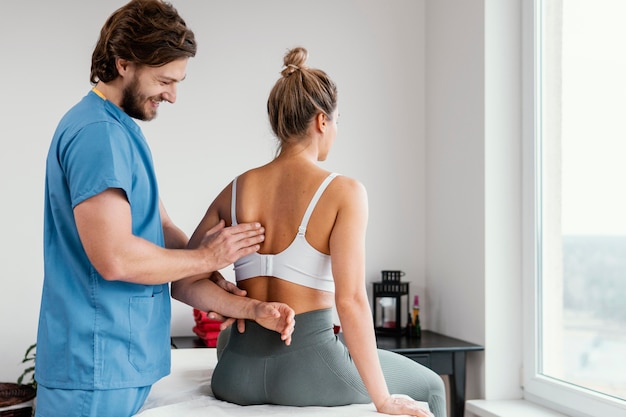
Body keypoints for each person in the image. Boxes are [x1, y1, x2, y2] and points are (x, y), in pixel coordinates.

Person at [35, 1, 294, 416]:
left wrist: (211, 275)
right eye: (164, 80)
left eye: (179, 81)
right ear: (123, 63)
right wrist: (205, 256)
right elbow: (116, 258)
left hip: (117, 364)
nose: (172, 95)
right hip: (95, 367)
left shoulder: (120, 131)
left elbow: (160, 228)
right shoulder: (98, 135)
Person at [174, 47, 446, 417]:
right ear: (321, 121)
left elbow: (183, 282)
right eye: (336, 121)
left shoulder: (235, 189)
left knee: (225, 339)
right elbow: (350, 301)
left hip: (236, 375)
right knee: (431, 385)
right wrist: (382, 399)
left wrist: (247, 309)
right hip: (307, 372)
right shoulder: (344, 192)